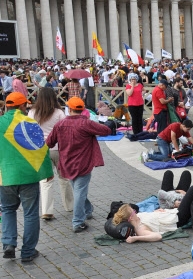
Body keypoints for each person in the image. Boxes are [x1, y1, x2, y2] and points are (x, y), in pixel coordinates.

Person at [0, 93, 53, 263]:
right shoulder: (29, 123)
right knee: (30, 214)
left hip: (5, 176)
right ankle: (28, 251)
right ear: (22, 106)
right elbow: (41, 149)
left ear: (7, 106)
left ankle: (9, 244)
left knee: (8, 209)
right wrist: (47, 172)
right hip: (28, 176)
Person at [46, 97, 111, 233]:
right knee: (80, 191)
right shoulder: (86, 123)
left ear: (69, 109)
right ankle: (77, 222)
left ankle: (87, 210)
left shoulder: (60, 124)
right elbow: (106, 131)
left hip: (66, 162)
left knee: (78, 189)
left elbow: (50, 142)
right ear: (82, 110)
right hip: (83, 163)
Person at [27, 87, 74, 220]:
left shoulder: (32, 112)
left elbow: (29, 131)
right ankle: (69, 205)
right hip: (59, 149)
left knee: (45, 180)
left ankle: (47, 211)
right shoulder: (59, 112)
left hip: (41, 150)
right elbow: (66, 129)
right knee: (64, 178)